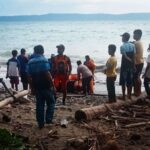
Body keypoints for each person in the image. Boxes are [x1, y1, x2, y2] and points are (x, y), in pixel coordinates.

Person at [27, 45, 55, 129]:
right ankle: (48, 119)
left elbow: (29, 77)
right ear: (43, 51)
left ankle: (40, 123)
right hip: (46, 85)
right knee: (51, 102)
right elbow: (47, 74)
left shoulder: (30, 62)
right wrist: (53, 86)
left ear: (35, 52)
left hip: (37, 86)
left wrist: (32, 88)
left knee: (39, 105)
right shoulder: (44, 60)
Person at [119, 32, 135, 100]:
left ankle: (123, 96)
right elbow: (134, 56)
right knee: (130, 81)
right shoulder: (133, 45)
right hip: (131, 66)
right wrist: (133, 64)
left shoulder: (122, 46)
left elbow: (125, 56)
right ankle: (129, 96)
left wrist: (129, 60)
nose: (122, 38)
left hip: (124, 65)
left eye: (122, 37)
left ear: (125, 38)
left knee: (123, 81)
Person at [133, 29, 144, 96]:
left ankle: (136, 92)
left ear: (138, 35)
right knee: (137, 77)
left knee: (135, 78)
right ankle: (138, 91)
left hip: (137, 62)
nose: (133, 35)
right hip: (141, 61)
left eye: (134, 34)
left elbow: (133, 54)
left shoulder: (136, 43)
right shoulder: (140, 42)